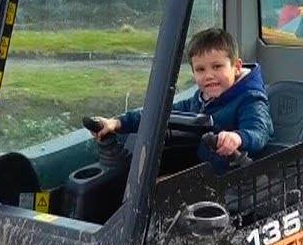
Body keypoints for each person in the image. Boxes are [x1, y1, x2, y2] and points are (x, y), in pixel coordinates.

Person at [89, 27, 272, 172]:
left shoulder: (250, 99)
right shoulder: (200, 99)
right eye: (200, 70)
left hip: (235, 179)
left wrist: (237, 137)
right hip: (200, 169)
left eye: (217, 67)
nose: (209, 75)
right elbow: (163, 114)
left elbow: (259, 131)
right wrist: (118, 123)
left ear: (237, 67)